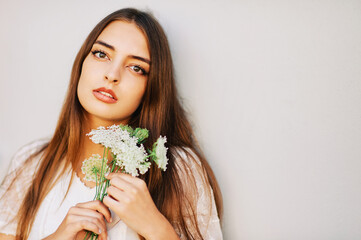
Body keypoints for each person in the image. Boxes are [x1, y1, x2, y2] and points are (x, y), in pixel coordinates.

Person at [0, 8, 223, 240]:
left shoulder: (177, 170)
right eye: (101, 54)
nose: (112, 74)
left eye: (136, 68)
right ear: (81, 63)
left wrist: (154, 226)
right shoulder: (31, 164)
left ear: (152, 87)